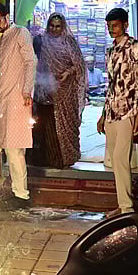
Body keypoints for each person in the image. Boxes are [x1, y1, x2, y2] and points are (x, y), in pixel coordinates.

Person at [0, 3, 37, 209]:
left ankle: (22, 195)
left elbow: (31, 62)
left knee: (15, 150)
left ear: (7, 17)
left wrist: (26, 91)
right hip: (4, 102)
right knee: (9, 148)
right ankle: (17, 191)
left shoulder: (20, 33)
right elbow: (1, 75)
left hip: (17, 100)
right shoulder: (3, 39)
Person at [97, 8, 138, 218]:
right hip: (111, 110)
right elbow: (111, 84)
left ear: (125, 25)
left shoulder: (135, 47)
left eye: (115, 25)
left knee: (120, 158)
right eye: (109, 26)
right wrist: (102, 114)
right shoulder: (110, 51)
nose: (111, 29)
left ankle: (127, 207)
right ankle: (122, 204)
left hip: (128, 111)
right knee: (113, 160)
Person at [30, 13, 88, 169]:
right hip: (45, 90)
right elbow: (33, 63)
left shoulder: (69, 42)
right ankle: (47, 160)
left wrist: (68, 72)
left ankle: (64, 159)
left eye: (57, 26)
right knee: (45, 126)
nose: (54, 29)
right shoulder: (41, 41)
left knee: (65, 127)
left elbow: (80, 66)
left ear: (63, 27)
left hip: (66, 92)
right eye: (51, 26)